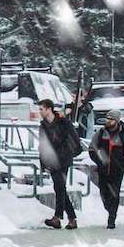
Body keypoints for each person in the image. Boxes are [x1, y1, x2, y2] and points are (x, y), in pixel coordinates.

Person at [38, 98, 81, 230]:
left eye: (41, 109)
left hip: (63, 159)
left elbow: (75, 140)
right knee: (60, 188)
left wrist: (68, 153)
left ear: (49, 109)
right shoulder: (43, 126)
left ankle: (57, 217)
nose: (39, 112)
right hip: (51, 160)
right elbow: (42, 145)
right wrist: (43, 163)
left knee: (60, 186)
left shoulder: (63, 122)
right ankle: (72, 218)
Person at [89, 109, 124, 229]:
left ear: (116, 121)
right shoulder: (101, 132)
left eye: (111, 119)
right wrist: (99, 162)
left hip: (117, 171)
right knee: (104, 194)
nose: (108, 121)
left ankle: (112, 219)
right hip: (103, 170)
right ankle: (109, 210)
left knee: (114, 195)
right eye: (107, 119)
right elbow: (92, 149)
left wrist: (120, 163)